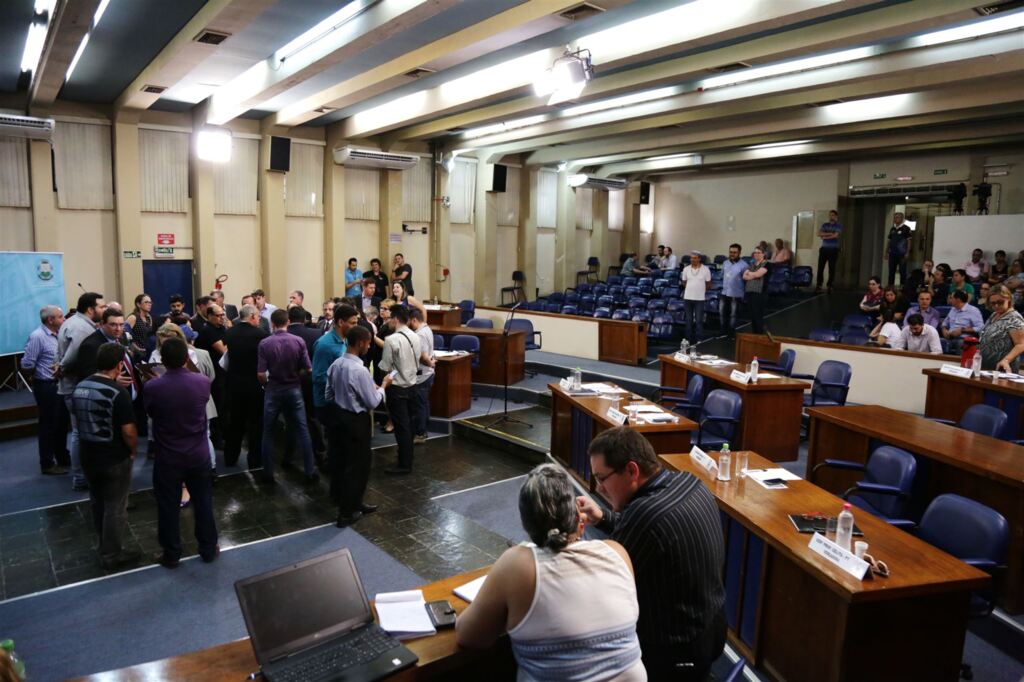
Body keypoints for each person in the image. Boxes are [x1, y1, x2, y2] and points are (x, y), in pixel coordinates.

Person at [458, 464, 645, 681]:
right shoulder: (617, 552)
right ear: (579, 516)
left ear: (526, 524)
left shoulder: (517, 564)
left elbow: (470, 637)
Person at [576, 428, 725, 681]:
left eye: (602, 478)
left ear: (632, 471)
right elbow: (649, 532)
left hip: (675, 654)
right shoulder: (690, 482)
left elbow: (602, 582)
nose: (598, 488)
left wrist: (571, 541)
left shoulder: (644, 516)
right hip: (713, 628)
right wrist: (603, 517)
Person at [144, 337, 219, 568]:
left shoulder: (153, 387)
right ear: (187, 359)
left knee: (167, 505)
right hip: (197, 452)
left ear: (162, 361)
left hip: (168, 456)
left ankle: (172, 553)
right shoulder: (202, 382)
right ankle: (208, 548)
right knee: (203, 501)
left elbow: (151, 412)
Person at [70, 342, 140, 570]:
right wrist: (132, 451)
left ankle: (102, 543)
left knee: (97, 502)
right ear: (120, 365)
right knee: (116, 507)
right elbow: (128, 431)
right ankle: (112, 554)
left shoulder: (80, 386)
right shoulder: (118, 393)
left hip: (88, 454)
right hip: (113, 458)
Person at [326, 326, 392, 527]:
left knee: (340, 462)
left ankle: (350, 502)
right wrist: (383, 386)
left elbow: (328, 394)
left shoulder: (336, 364)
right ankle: (346, 514)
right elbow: (372, 402)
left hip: (338, 418)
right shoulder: (360, 370)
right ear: (361, 343)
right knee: (358, 467)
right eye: (369, 342)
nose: (370, 346)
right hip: (356, 421)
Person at [257, 309, 317, 485]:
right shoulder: (298, 341)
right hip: (293, 388)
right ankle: (310, 471)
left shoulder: (265, 343)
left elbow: (260, 373)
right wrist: (295, 376)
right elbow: (309, 369)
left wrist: (266, 384)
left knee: (268, 431)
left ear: (272, 324)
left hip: (273, 389)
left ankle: (268, 473)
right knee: (302, 429)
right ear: (288, 322)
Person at [57, 291, 106, 491]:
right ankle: (80, 477)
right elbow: (70, 357)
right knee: (79, 432)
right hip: (75, 386)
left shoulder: (73, 322)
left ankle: (82, 475)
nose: (104, 310)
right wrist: (60, 368)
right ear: (90, 309)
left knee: (79, 431)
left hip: (72, 386)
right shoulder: (80, 328)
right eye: (101, 307)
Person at [22, 305, 69, 475]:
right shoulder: (38, 337)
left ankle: (63, 457)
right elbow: (27, 364)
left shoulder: (60, 334)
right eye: (60, 316)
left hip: (60, 384)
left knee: (62, 423)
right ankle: (47, 463)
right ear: (50, 320)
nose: (64, 319)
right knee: (48, 425)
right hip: (46, 386)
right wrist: (37, 375)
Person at [223, 304, 269, 470]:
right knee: (256, 425)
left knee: (235, 423)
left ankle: (230, 458)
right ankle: (254, 460)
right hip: (254, 386)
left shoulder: (229, 333)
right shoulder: (261, 335)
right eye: (257, 317)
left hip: (234, 385)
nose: (259, 320)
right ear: (251, 316)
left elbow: (225, 359)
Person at [379, 305, 420, 475]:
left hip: (397, 389)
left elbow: (385, 366)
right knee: (408, 426)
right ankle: (407, 457)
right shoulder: (415, 336)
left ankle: (404, 464)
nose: (387, 321)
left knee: (401, 427)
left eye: (389, 318)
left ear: (395, 319)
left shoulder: (391, 340)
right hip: (413, 386)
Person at [286, 306, 327, 470]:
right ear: (305, 319)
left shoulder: (283, 335)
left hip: (289, 381)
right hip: (310, 380)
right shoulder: (316, 334)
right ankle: (320, 451)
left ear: (289, 319)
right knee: (313, 417)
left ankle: (289, 455)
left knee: (291, 418)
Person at [978, 285, 1024, 372]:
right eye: (993, 303)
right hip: (986, 368)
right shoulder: (994, 315)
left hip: (1003, 369)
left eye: (1000, 302)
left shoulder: (1014, 318)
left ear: (1009, 299)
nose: (996, 306)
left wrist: (1006, 360)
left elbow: (1021, 344)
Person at [408, 308, 436, 444]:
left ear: (414, 320)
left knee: (419, 405)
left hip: (422, 374)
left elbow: (422, 356)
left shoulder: (419, 335)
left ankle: (420, 433)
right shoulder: (427, 329)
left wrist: (429, 362)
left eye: (410, 322)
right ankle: (423, 430)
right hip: (428, 373)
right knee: (424, 404)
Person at [681, 251, 711, 342]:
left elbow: (708, 284)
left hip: (699, 299)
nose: (692, 260)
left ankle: (699, 340)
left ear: (699, 258)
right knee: (689, 320)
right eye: (691, 258)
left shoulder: (706, 269)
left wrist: (700, 291)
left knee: (698, 321)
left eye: (694, 258)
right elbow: (684, 282)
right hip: (687, 298)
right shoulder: (686, 269)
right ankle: (688, 339)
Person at [720, 243, 745, 337]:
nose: (732, 254)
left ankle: (731, 333)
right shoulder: (725, 263)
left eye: (735, 252)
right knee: (722, 313)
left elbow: (745, 280)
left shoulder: (744, 265)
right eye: (731, 252)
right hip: (724, 292)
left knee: (733, 315)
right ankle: (723, 332)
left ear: (739, 253)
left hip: (736, 294)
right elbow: (722, 275)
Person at [742, 246, 769, 334]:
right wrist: (752, 275)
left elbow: (758, 274)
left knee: (758, 316)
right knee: (752, 316)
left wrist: (750, 274)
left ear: (763, 254)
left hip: (760, 293)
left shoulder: (767, 264)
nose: (756, 254)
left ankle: (760, 335)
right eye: (755, 252)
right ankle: (755, 335)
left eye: (758, 252)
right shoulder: (752, 264)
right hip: (750, 292)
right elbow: (744, 276)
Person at [816, 209, 841, 292]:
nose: (831, 217)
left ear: (836, 216)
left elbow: (836, 236)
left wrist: (825, 236)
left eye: (833, 215)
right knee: (820, 267)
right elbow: (818, 234)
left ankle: (830, 285)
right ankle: (819, 284)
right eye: (830, 215)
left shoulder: (838, 225)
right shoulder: (825, 225)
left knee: (831, 268)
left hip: (833, 249)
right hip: (824, 249)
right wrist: (830, 233)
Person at [886, 212, 912, 286]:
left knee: (902, 271)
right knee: (891, 272)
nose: (896, 219)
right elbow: (889, 241)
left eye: (897, 217)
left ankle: (903, 288)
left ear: (902, 218)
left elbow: (909, 241)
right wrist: (886, 252)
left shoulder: (906, 228)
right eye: (895, 217)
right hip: (892, 254)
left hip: (902, 254)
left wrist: (907, 252)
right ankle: (890, 287)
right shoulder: (892, 229)